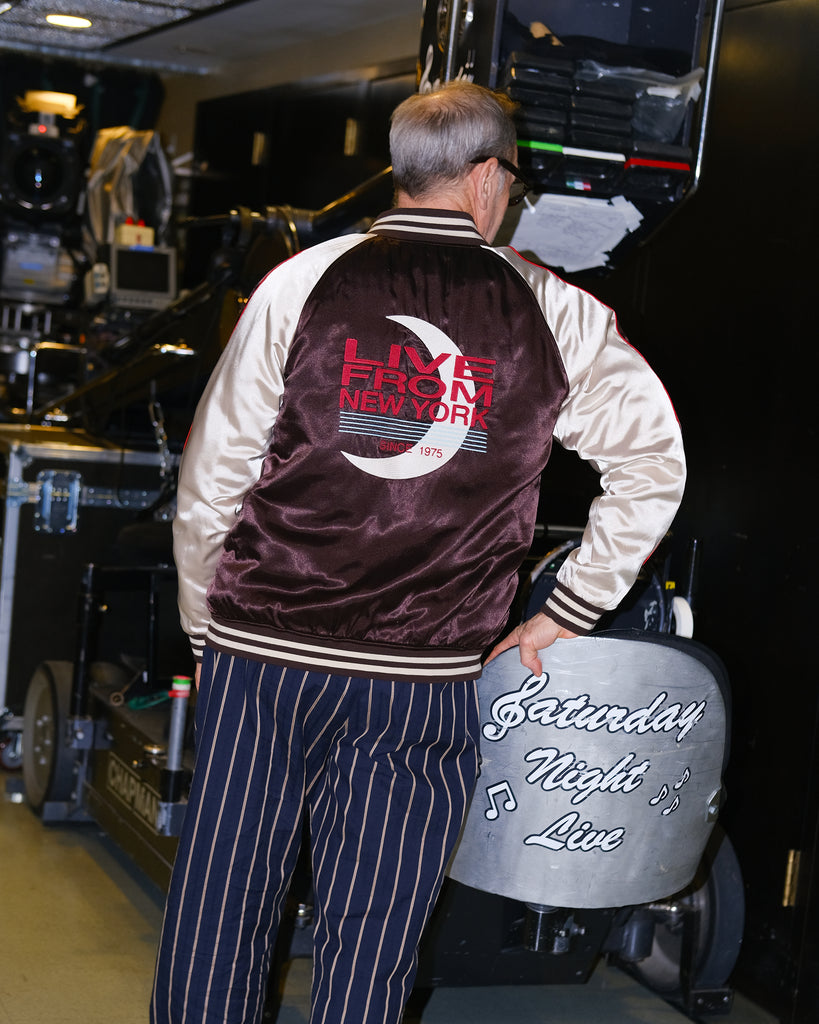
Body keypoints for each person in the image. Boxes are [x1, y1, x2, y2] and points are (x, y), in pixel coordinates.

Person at [151, 81, 686, 1024]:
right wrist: (569, 609)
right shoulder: (553, 312)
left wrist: (208, 626)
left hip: (264, 655)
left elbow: (213, 477)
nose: (511, 201)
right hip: (421, 680)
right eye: (512, 183)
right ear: (485, 174)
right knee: (376, 930)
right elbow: (653, 465)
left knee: (219, 906)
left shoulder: (300, 281)